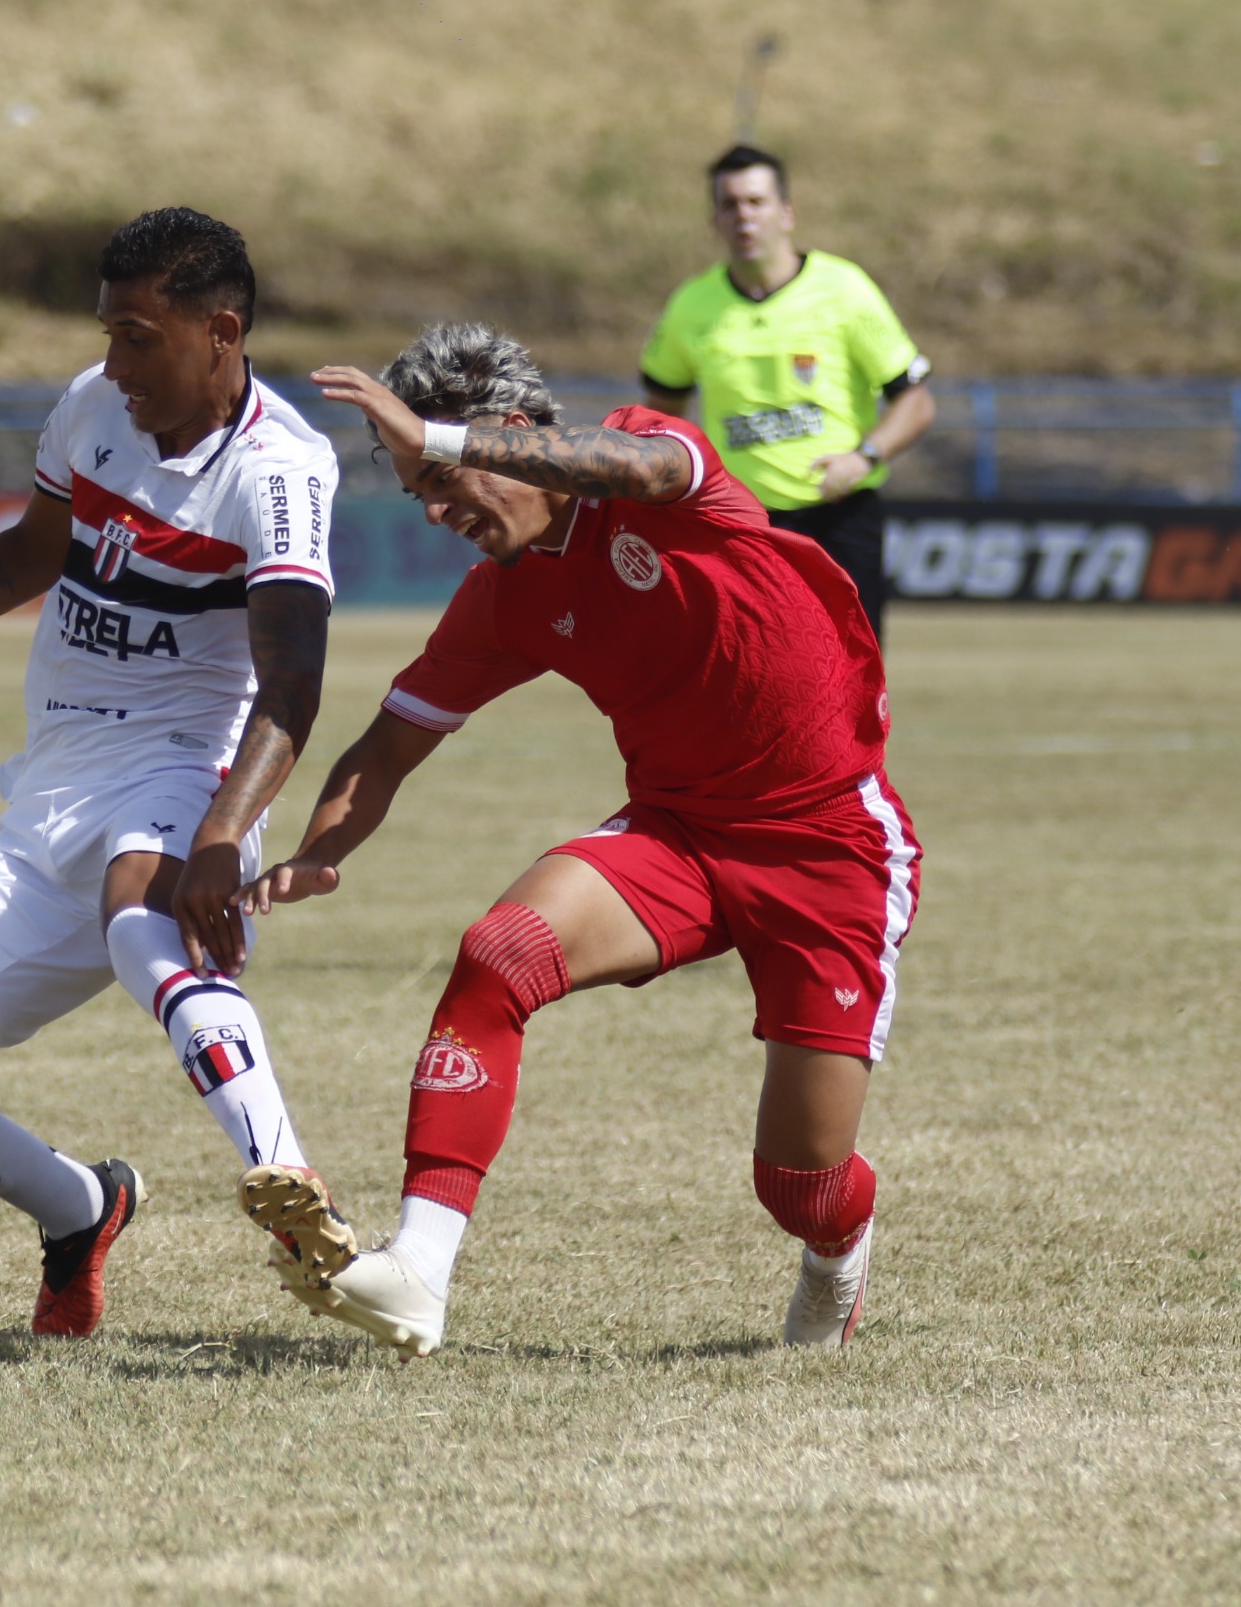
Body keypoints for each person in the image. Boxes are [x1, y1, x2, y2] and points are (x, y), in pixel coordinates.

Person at [236, 323, 921, 1358]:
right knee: (497, 953)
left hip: (828, 846)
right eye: (420, 486)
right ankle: (418, 1268)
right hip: (678, 835)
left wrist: (440, 435)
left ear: (508, 435)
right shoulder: (503, 600)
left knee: (799, 1183)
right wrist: (316, 848)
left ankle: (838, 1244)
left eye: (442, 475)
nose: (434, 509)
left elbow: (642, 461)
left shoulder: (652, 470)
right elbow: (385, 747)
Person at [0, 208, 345, 1337]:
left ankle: (290, 1184)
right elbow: (26, 556)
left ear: (220, 330)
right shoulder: (95, 408)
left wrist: (222, 835)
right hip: (53, 787)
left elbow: (292, 684)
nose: (111, 363)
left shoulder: (279, 468)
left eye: (137, 337)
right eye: (106, 332)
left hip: (187, 767)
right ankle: (81, 1208)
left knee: (142, 917)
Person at [639, 144, 935, 635]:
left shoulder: (844, 289)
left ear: (787, 213)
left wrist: (864, 455)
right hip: (742, 524)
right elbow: (661, 415)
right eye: (730, 205)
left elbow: (917, 401)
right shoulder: (691, 306)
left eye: (756, 202)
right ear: (714, 220)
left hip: (841, 519)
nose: (744, 217)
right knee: (753, 674)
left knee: (851, 677)